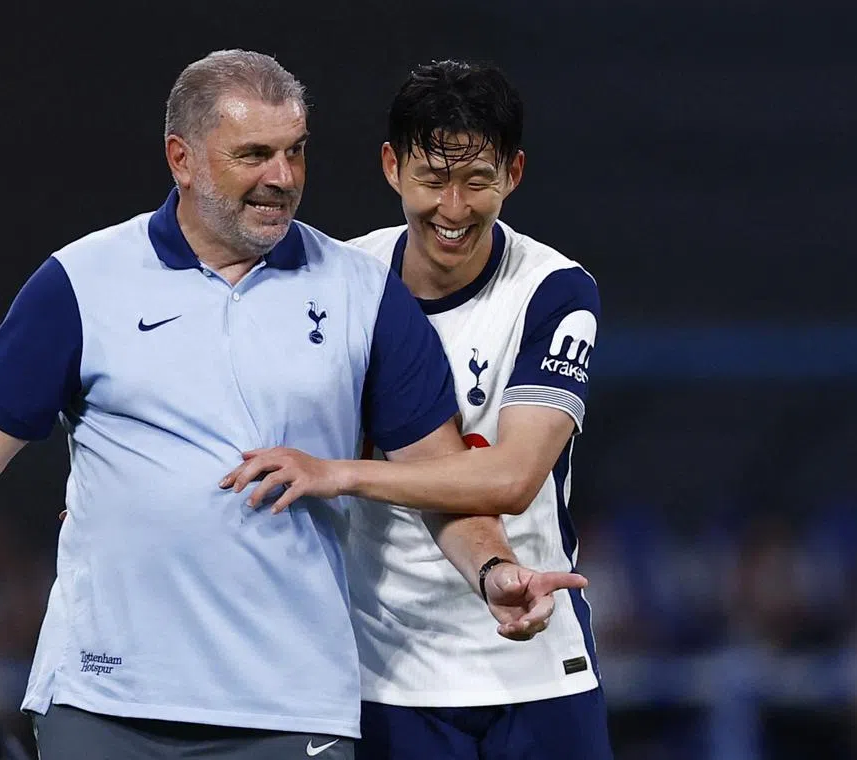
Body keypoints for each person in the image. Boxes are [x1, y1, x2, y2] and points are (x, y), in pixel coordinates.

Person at [0, 50, 582, 760]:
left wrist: (491, 573)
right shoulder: (82, 281)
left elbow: (440, 477)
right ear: (182, 158)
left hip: (290, 708)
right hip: (106, 698)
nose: (282, 178)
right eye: (254, 155)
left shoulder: (362, 293)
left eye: (295, 153)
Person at [222, 61, 614, 759]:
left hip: (536, 668)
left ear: (514, 174)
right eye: (433, 178)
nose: (454, 209)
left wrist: (341, 473)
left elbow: (512, 480)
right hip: (387, 682)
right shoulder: (341, 284)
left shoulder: (554, 292)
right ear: (392, 167)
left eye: (478, 180)